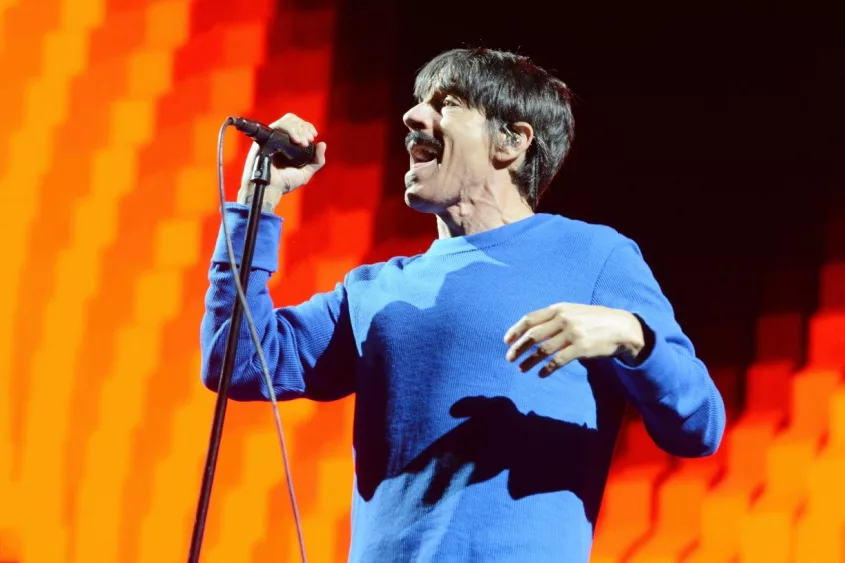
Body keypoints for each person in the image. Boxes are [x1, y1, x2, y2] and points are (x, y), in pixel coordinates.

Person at [201, 47, 725, 562]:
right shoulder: (375, 290)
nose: (411, 116)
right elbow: (236, 363)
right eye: (416, 102)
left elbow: (699, 427)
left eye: (447, 102)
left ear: (511, 142)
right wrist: (257, 201)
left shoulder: (593, 257)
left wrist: (633, 336)